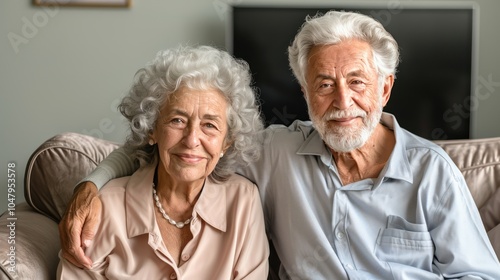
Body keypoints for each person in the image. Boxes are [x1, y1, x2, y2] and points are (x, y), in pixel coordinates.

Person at [59, 11, 500, 279]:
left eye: (357, 82)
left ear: (384, 90)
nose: (342, 101)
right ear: (305, 95)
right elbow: (182, 151)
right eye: (324, 84)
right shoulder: (274, 152)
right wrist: (93, 185)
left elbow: (477, 276)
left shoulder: (432, 170)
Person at [57, 45, 269, 279]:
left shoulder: (243, 202)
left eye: (209, 125)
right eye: (177, 120)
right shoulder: (105, 209)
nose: (191, 140)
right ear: (151, 130)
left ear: (226, 143)